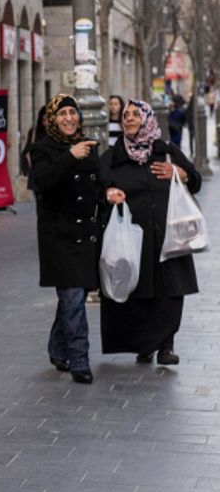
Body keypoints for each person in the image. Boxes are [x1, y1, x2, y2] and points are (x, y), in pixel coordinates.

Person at [101, 99, 201, 365]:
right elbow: (99, 185)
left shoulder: (166, 151)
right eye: (126, 115)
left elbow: (196, 180)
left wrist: (181, 173)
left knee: (170, 292)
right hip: (134, 238)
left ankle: (166, 346)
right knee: (139, 291)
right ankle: (144, 345)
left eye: (136, 114)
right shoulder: (113, 156)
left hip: (170, 236)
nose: (130, 119)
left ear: (147, 119)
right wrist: (109, 192)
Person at [27, 94, 100, 385]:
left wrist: (110, 192)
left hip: (85, 235)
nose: (69, 118)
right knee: (72, 297)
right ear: (52, 119)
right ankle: (79, 360)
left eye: (73, 112)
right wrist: (71, 156)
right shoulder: (42, 149)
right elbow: (44, 182)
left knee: (75, 297)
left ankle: (58, 348)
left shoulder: (89, 145)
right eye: (62, 114)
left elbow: (98, 180)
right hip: (58, 236)